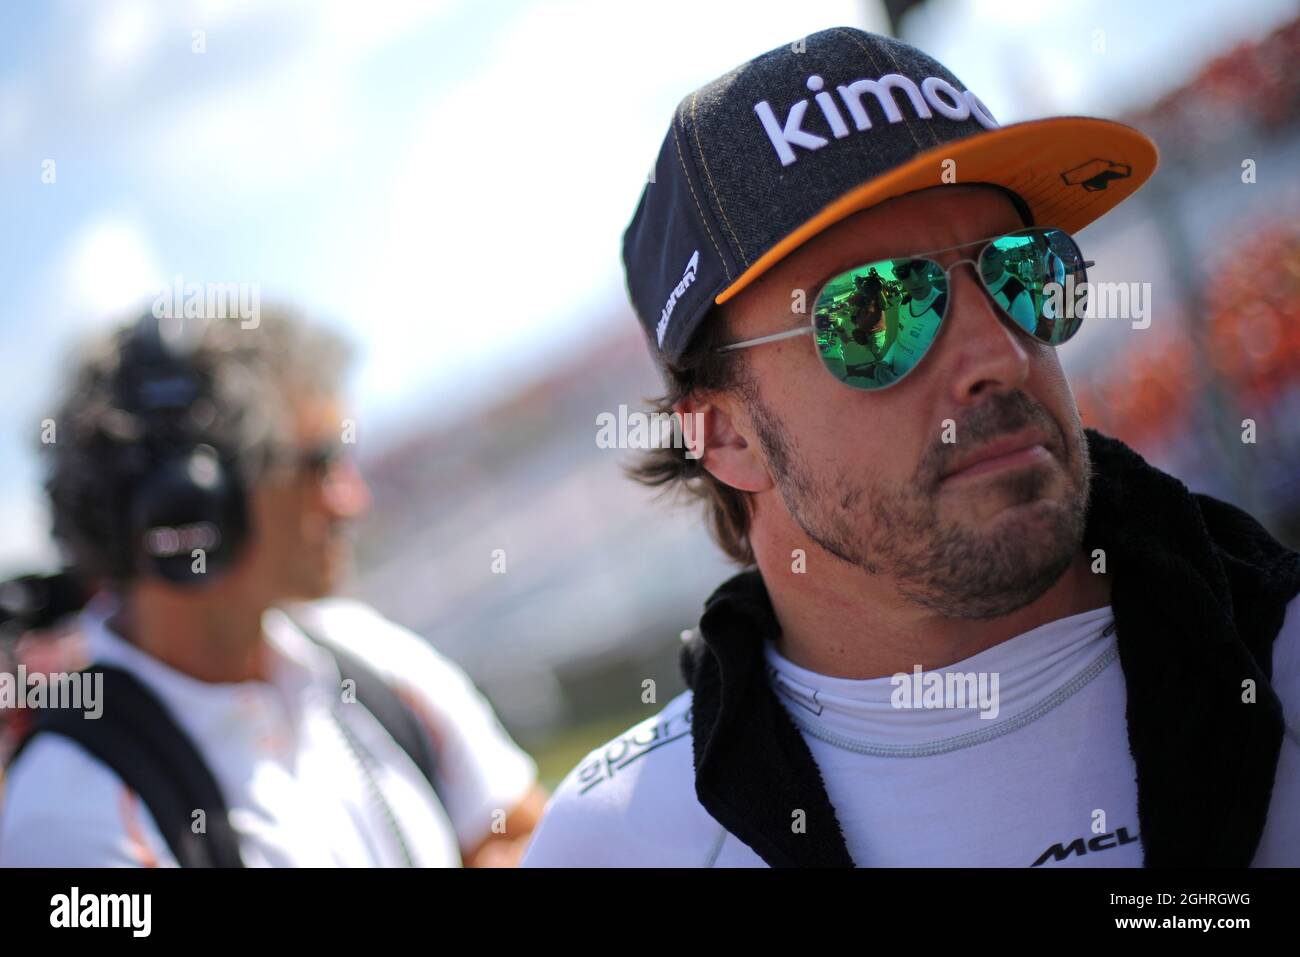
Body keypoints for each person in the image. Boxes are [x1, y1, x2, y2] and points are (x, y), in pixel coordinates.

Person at [522, 27, 1300, 867]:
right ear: (724, 434)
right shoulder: (619, 842)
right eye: (878, 310)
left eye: (1023, 272)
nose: (1001, 354)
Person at [0, 308, 545, 867]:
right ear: (196, 502)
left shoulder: (372, 655)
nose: (351, 501)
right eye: (323, 464)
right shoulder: (68, 815)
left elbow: (520, 834)